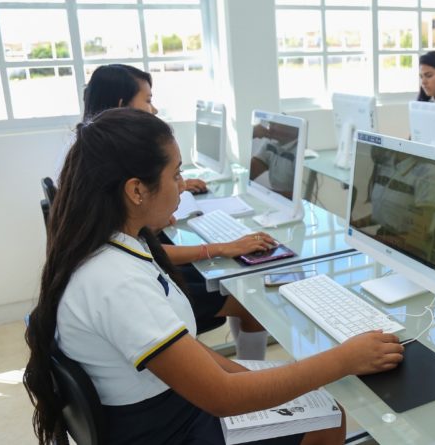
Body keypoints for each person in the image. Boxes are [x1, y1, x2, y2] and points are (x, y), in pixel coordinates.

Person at [23, 108, 404, 445]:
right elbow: (223, 397)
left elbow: (181, 348)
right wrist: (344, 359)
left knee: (306, 394)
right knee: (329, 415)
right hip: (167, 429)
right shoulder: (116, 281)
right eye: (176, 174)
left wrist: (244, 371)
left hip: (156, 412)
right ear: (137, 190)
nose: (182, 186)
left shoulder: (108, 247)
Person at [82, 64, 272, 360]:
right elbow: (219, 384)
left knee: (230, 282)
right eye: (147, 100)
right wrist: (219, 247)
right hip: (157, 301)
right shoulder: (123, 283)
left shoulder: (90, 159)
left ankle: (249, 365)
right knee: (246, 297)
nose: (154, 109)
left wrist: (153, 214)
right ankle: (252, 362)